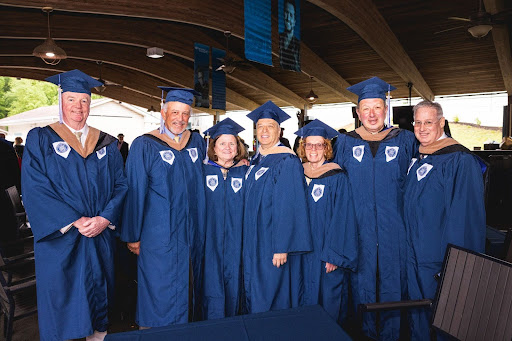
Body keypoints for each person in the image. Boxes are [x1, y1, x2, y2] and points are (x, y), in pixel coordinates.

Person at [21, 69, 128, 341]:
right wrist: (75, 220)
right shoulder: (41, 139)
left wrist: (105, 218)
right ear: (61, 101)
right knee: (62, 297)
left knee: (99, 292)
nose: (77, 107)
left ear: (90, 104)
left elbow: (121, 185)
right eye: (71, 99)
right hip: (62, 237)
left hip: (99, 234)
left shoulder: (105, 143)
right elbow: (35, 186)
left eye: (83, 100)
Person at [333, 77, 417, 340]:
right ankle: (365, 333)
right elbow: (335, 182)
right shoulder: (345, 142)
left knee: (394, 278)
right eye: (365, 108)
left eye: (377, 107)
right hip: (358, 226)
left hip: (395, 226)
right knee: (361, 281)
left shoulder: (404, 140)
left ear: (385, 109)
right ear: (358, 112)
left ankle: (393, 334)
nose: (371, 114)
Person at [120, 86, 206, 328]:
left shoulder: (195, 142)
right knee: (159, 283)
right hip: (158, 232)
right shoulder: (145, 145)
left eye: (185, 114)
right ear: (163, 112)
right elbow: (135, 191)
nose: (180, 119)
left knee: (187, 281)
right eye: (175, 112)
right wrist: (133, 235)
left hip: (190, 229)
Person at [404, 100, 486, 340]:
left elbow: (466, 218)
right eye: (418, 122)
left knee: (445, 319)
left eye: (428, 122)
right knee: (418, 317)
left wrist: (456, 265)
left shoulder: (459, 160)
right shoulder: (419, 156)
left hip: (439, 259)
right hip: (414, 255)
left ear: (441, 123)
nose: (422, 127)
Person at [243, 100, 312, 314]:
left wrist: (281, 246)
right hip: (255, 241)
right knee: (257, 290)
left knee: (271, 292)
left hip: (272, 243)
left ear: (279, 130)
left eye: (270, 126)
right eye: (260, 126)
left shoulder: (286, 161)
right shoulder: (256, 160)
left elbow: (289, 205)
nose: (264, 131)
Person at [295, 119, 357, 325]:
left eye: (319, 144)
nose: (313, 149)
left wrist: (335, 255)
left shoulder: (337, 176)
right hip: (301, 253)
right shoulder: (297, 173)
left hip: (325, 253)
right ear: (303, 147)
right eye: (309, 145)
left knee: (328, 301)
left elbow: (343, 217)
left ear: (326, 148)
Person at [202, 118, 248, 319]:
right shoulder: (201, 171)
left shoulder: (246, 171)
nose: (227, 148)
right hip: (209, 240)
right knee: (210, 280)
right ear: (214, 147)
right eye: (222, 143)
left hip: (238, 240)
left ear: (238, 149)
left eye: (232, 143)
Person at [279, 0, 300, 71]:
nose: (288, 18)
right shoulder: (278, 39)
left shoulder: (298, 46)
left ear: (294, 21)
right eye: (286, 13)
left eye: (291, 15)